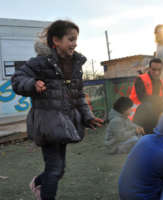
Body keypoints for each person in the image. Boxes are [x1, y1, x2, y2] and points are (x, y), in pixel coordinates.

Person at [11, 20, 103, 200]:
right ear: (56, 40)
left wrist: (88, 116)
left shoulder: (75, 64)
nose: (75, 43)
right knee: (54, 170)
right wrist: (32, 84)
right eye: (71, 39)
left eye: (76, 39)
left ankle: (38, 182)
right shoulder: (40, 63)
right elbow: (17, 79)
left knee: (58, 170)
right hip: (47, 123)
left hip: (65, 124)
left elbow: (78, 95)